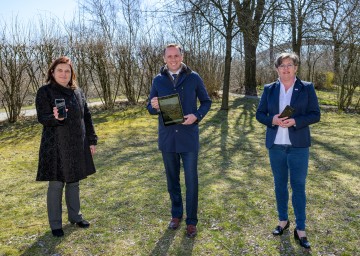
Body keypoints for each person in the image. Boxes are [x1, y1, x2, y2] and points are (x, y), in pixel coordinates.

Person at [256, 52, 320, 249]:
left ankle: (300, 228)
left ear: (296, 67)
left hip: (298, 146)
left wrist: (296, 121)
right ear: (277, 68)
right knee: (279, 185)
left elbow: (315, 114)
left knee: (298, 187)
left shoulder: (306, 88)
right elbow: (260, 114)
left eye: (289, 64)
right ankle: (283, 221)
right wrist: (272, 120)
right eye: (282, 65)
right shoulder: (269, 89)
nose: (286, 68)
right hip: (276, 146)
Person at [147, 43, 212, 238]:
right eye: (169, 56)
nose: (173, 59)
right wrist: (154, 105)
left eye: (176, 55)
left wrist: (197, 116)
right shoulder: (158, 80)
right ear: (164, 58)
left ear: (182, 56)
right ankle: (176, 215)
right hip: (168, 139)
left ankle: (191, 221)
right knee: (172, 180)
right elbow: (150, 107)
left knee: (191, 180)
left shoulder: (193, 77)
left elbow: (206, 102)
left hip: (188, 137)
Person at [35, 56, 98, 237]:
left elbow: (87, 116)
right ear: (52, 72)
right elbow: (42, 117)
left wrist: (92, 140)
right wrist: (55, 117)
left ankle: (75, 216)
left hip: (77, 143)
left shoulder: (78, 92)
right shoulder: (45, 92)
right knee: (56, 184)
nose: (64, 74)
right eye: (60, 70)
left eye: (67, 71)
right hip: (56, 146)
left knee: (74, 182)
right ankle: (55, 224)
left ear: (72, 74)